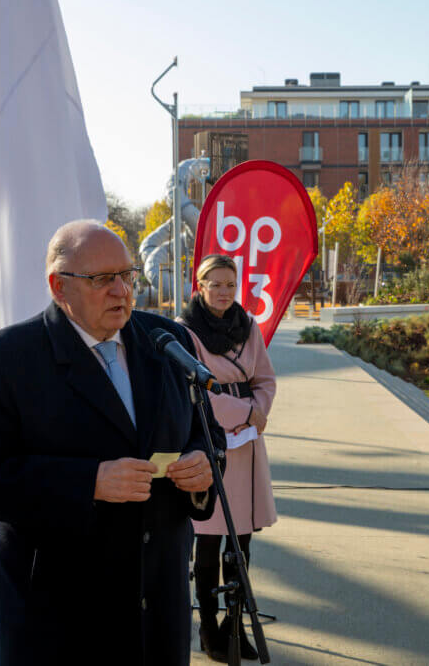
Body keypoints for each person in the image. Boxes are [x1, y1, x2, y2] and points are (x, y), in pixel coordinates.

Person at [0, 220, 225, 666]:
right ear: (60, 287)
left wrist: (202, 466)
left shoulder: (167, 341)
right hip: (63, 622)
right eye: (102, 279)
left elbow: (207, 432)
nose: (121, 291)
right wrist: (90, 481)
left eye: (127, 275)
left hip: (159, 612)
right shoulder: (2, 361)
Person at [178, 254, 278, 663]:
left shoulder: (248, 326)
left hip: (249, 444)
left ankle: (236, 623)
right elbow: (194, 391)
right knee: (208, 542)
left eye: (229, 285)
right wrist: (242, 413)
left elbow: (265, 379)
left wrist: (258, 412)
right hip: (211, 442)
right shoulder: (186, 331)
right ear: (199, 286)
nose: (223, 292)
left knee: (242, 542)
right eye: (215, 284)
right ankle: (208, 628)